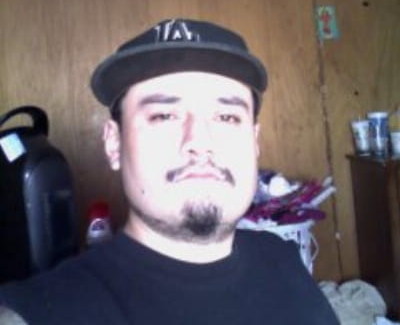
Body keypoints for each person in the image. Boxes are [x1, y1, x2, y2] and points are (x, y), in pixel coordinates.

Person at [0, 19, 339, 324]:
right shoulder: (43, 311)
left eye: (227, 117)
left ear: (254, 141)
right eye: (164, 116)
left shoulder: (281, 257)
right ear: (114, 144)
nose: (200, 142)